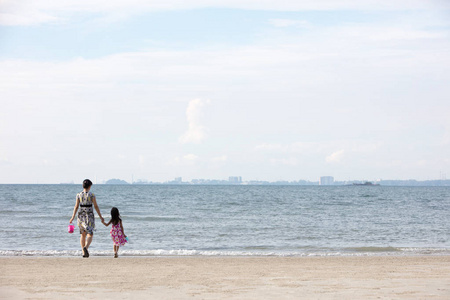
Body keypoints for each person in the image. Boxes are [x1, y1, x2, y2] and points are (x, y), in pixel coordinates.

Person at [69, 179, 104, 258]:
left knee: (83, 234)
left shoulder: (78, 195)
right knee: (90, 234)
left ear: (83, 186)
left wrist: (72, 217)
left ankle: (83, 252)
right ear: (90, 186)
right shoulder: (92, 195)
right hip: (89, 216)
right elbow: (95, 206)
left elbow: (76, 206)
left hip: (81, 216)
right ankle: (86, 248)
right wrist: (101, 217)